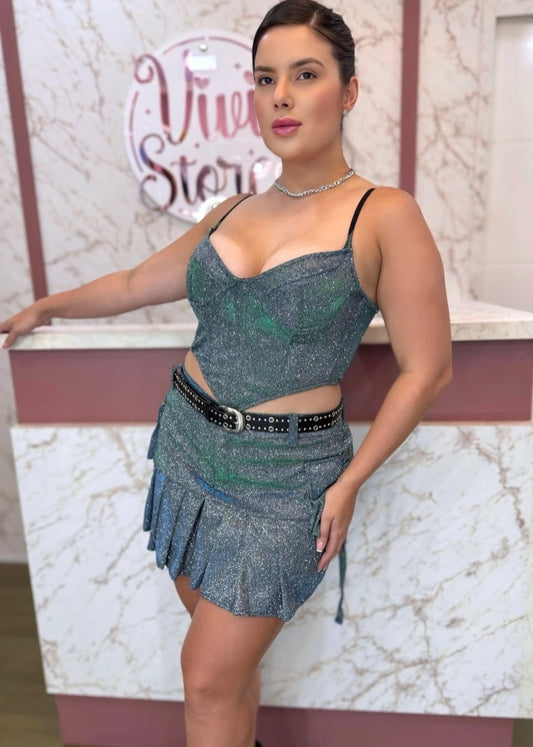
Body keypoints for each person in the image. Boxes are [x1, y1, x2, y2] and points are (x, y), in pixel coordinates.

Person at [1, 1, 452, 745]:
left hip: (286, 481)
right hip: (188, 448)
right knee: (229, 677)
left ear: (347, 91)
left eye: (305, 75)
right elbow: (133, 283)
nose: (281, 96)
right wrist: (44, 307)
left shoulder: (384, 215)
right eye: (265, 78)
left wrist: (348, 482)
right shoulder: (232, 209)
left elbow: (427, 370)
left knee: (206, 678)